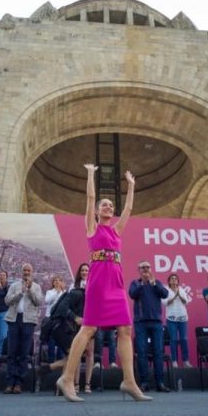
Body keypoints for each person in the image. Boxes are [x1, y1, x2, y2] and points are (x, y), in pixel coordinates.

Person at [56, 165, 151, 403]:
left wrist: (131, 185)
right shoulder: (92, 227)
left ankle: (129, 381)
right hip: (98, 284)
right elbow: (89, 197)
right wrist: (90, 173)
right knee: (88, 329)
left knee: (126, 330)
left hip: (116, 284)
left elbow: (129, 207)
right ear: (98, 211)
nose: (108, 206)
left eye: (110, 205)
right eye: (104, 205)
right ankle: (67, 378)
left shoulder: (117, 230)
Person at [3, 263, 43, 394]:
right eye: (24, 270)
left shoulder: (36, 287)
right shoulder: (14, 286)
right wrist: (20, 293)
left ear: (32, 272)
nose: (26, 272)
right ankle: (10, 382)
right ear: (21, 272)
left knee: (24, 353)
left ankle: (19, 383)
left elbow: (38, 302)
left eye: (28, 270)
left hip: (28, 321)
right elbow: (7, 301)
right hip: (14, 320)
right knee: (12, 352)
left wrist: (30, 289)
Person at [129, 261, 170, 392]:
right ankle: (144, 382)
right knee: (142, 352)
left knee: (158, 352)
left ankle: (160, 382)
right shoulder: (135, 283)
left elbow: (165, 294)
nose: (146, 269)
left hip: (157, 322)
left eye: (148, 267)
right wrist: (143, 284)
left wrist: (152, 284)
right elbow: (132, 294)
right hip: (141, 322)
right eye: (143, 267)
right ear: (138, 270)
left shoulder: (156, 282)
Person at [163, 273, 192, 368]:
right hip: (171, 319)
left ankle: (185, 361)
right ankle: (174, 361)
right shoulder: (166, 290)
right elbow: (165, 302)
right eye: (172, 278)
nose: (174, 280)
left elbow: (186, 302)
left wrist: (180, 295)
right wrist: (175, 296)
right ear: (169, 281)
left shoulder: (181, 290)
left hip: (183, 318)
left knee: (184, 338)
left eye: (176, 278)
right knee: (173, 339)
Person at [44, 276, 67, 363]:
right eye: (55, 281)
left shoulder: (64, 292)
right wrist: (56, 292)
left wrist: (61, 291)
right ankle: (51, 361)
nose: (57, 282)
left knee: (61, 340)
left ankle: (59, 361)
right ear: (53, 283)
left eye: (59, 280)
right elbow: (47, 301)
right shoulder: (50, 292)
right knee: (52, 340)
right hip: (51, 318)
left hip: (61, 319)